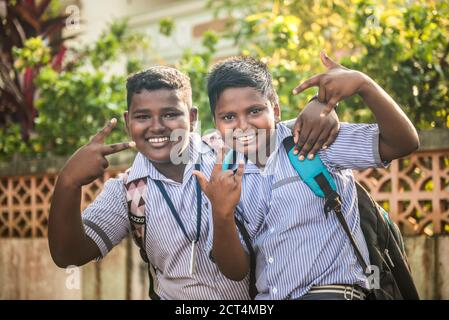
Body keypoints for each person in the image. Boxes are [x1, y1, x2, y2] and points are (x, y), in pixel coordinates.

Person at [48, 65, 340, 299]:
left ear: (192, 117)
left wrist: (319, 108)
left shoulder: (230, 153)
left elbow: (267, 126)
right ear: (128, 122)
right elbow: (68, 255)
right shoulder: (127, 191)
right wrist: (68, 183)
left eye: (171, 114)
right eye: (142, 116)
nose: (157, 126)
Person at [194, 53, 419, 300]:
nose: (243, 124)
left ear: (275, 109)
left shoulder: (313, 140)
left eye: (255, 111)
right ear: (215, 121)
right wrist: (221, 213)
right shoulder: (223, 178)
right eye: (228, 117)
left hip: (332, 293)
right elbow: (236, 271)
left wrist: (364, 85)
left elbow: (403, 143)